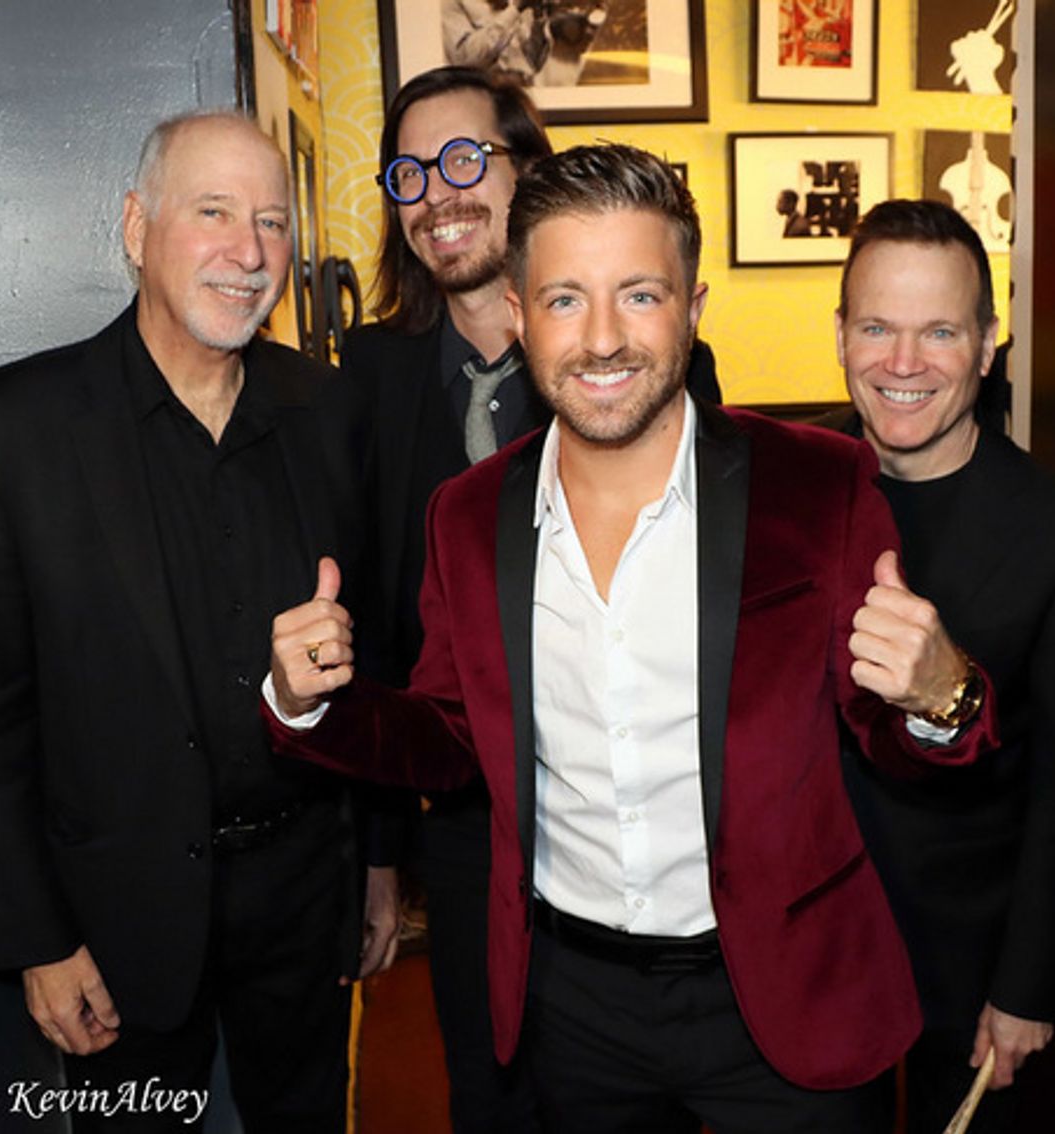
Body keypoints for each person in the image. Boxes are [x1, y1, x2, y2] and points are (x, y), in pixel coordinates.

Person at [267, 144, 997, 1134]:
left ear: (692, 308)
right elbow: (448, 735)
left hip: (783, 996)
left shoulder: (816, 487)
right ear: (520, 316)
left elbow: (887, 734)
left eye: (638, 295)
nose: (601, 338)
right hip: (573, 1007)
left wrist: (940, 695)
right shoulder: (467, 515)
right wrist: (312, 702)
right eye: (565, 299)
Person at [0, 110, 395, 1132]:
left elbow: (360, 665)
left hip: (302, 887)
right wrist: (37, 941)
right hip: (115, 916)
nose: (249, 251)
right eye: (213, 212)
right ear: (137, 227)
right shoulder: (2, 437)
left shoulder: (328, 413)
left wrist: (371, 862)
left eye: (272, 221)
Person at [349, 65, 719, 1133]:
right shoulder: (368, 375)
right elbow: (374, 621)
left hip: (638, 820)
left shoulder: (639, 365)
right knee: (495, 1089)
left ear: (527, 169)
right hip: (466, 821)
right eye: (411, 172)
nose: (438, 194)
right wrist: (380, 861)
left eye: (465, 159)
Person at [829, 199, 1055, 1132]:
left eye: (940, 332)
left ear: (990, 344)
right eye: (876, 327)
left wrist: (1029, 985)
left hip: (969, 962)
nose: (903, 363)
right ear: (839, 335)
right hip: (812, 954)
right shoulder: (788, 493)